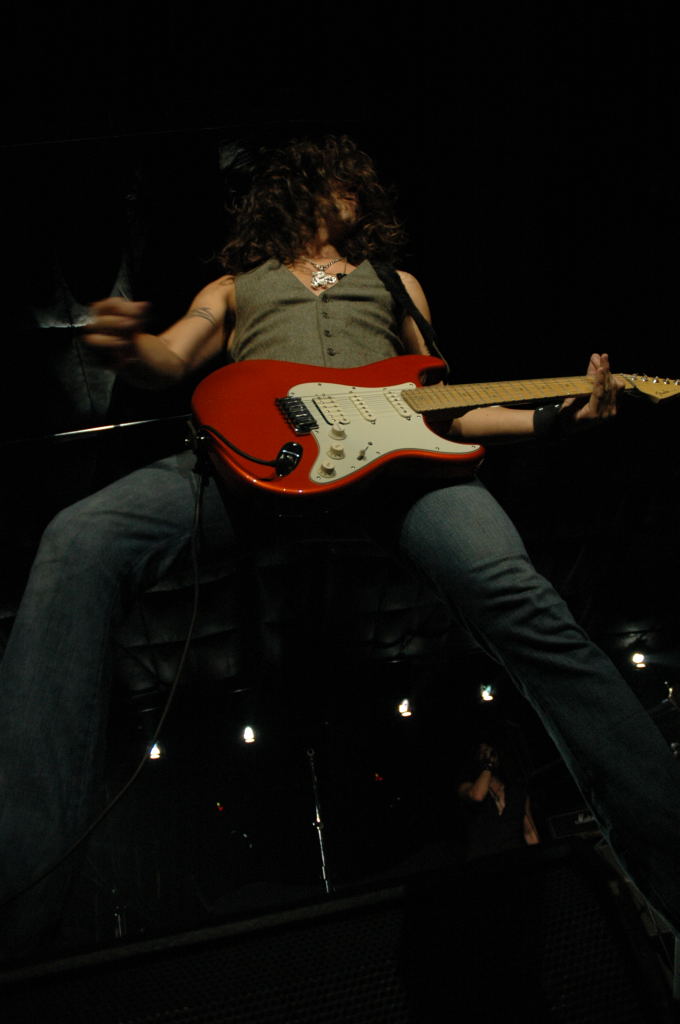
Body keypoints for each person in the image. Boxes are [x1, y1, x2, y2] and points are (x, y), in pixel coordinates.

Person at [1, 135, 679, 960]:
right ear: (297, 190)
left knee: (519, 595)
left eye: (361, 182)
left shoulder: (398, 284)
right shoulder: (236, 285)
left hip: (401, 475)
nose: (356, 189)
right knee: (79, 539)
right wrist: (128, 347)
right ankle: (18, 915)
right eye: (338, 178)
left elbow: (446, 408)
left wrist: (556, 419)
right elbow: (171, 357)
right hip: (257, 466)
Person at [457, 741, 540, 862]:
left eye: (490, 752)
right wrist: (488, 765)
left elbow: (529, 832)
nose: (487, 755)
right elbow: (477, 796)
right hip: (483, 862)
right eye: (482, 753)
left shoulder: (516, 791)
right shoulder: (466, 787)